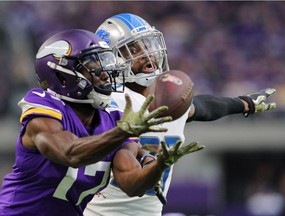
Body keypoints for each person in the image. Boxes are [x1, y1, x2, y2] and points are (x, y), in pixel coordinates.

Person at [84, 13, 277, 216]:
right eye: (133, 49)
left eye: (146, 45)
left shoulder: (167, 98)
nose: (146, 54)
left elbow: (202, 108)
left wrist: (244, 103)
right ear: (111, 60)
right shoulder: (109, 103)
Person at [0, 29, 204, 216]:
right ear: (63, 78)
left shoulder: (113, 118)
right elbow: (70, 152)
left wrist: (159, 165)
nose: (106, 74)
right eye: (94, 67)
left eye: (105, 64)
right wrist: (122, 132)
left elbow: (131, 183)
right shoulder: (45, 107)